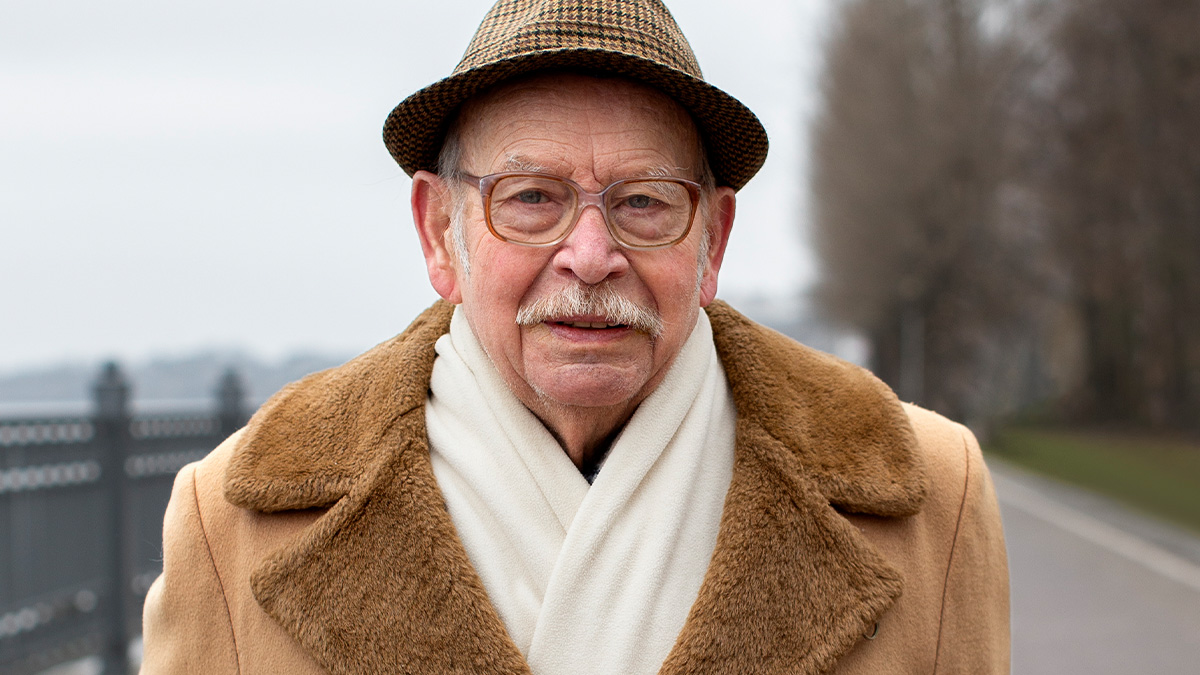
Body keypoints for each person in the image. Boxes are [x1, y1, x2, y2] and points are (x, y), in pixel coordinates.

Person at [140, 0, 1009, 673]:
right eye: (530, 198)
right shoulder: (233, 522)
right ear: (439, 231)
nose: (590, 257)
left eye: (644, 202)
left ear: (713, 241)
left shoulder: (934, 500)